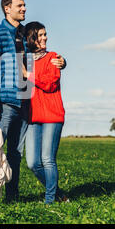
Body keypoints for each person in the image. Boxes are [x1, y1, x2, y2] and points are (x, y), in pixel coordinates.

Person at [0, 0, 66, 202]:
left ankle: (12, 195)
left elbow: (42, 55)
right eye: (20, 6)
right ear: (7, 8)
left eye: (25, 5)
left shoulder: (24, 34)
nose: (24, 9)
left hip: (26, 104)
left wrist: (63, 61)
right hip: (6, 102)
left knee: (15, 154)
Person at [22, 21, 68, 204]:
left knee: (48, 160)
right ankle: (58, 193)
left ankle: (49, 200)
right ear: (30, 39)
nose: (44, 38)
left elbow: (50, 84)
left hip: (52, 115)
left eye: (45, 34)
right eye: (39, 35)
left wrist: (28, 75)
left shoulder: (54, 58)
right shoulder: (24, 60)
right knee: (33, 163)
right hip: (33, 117)